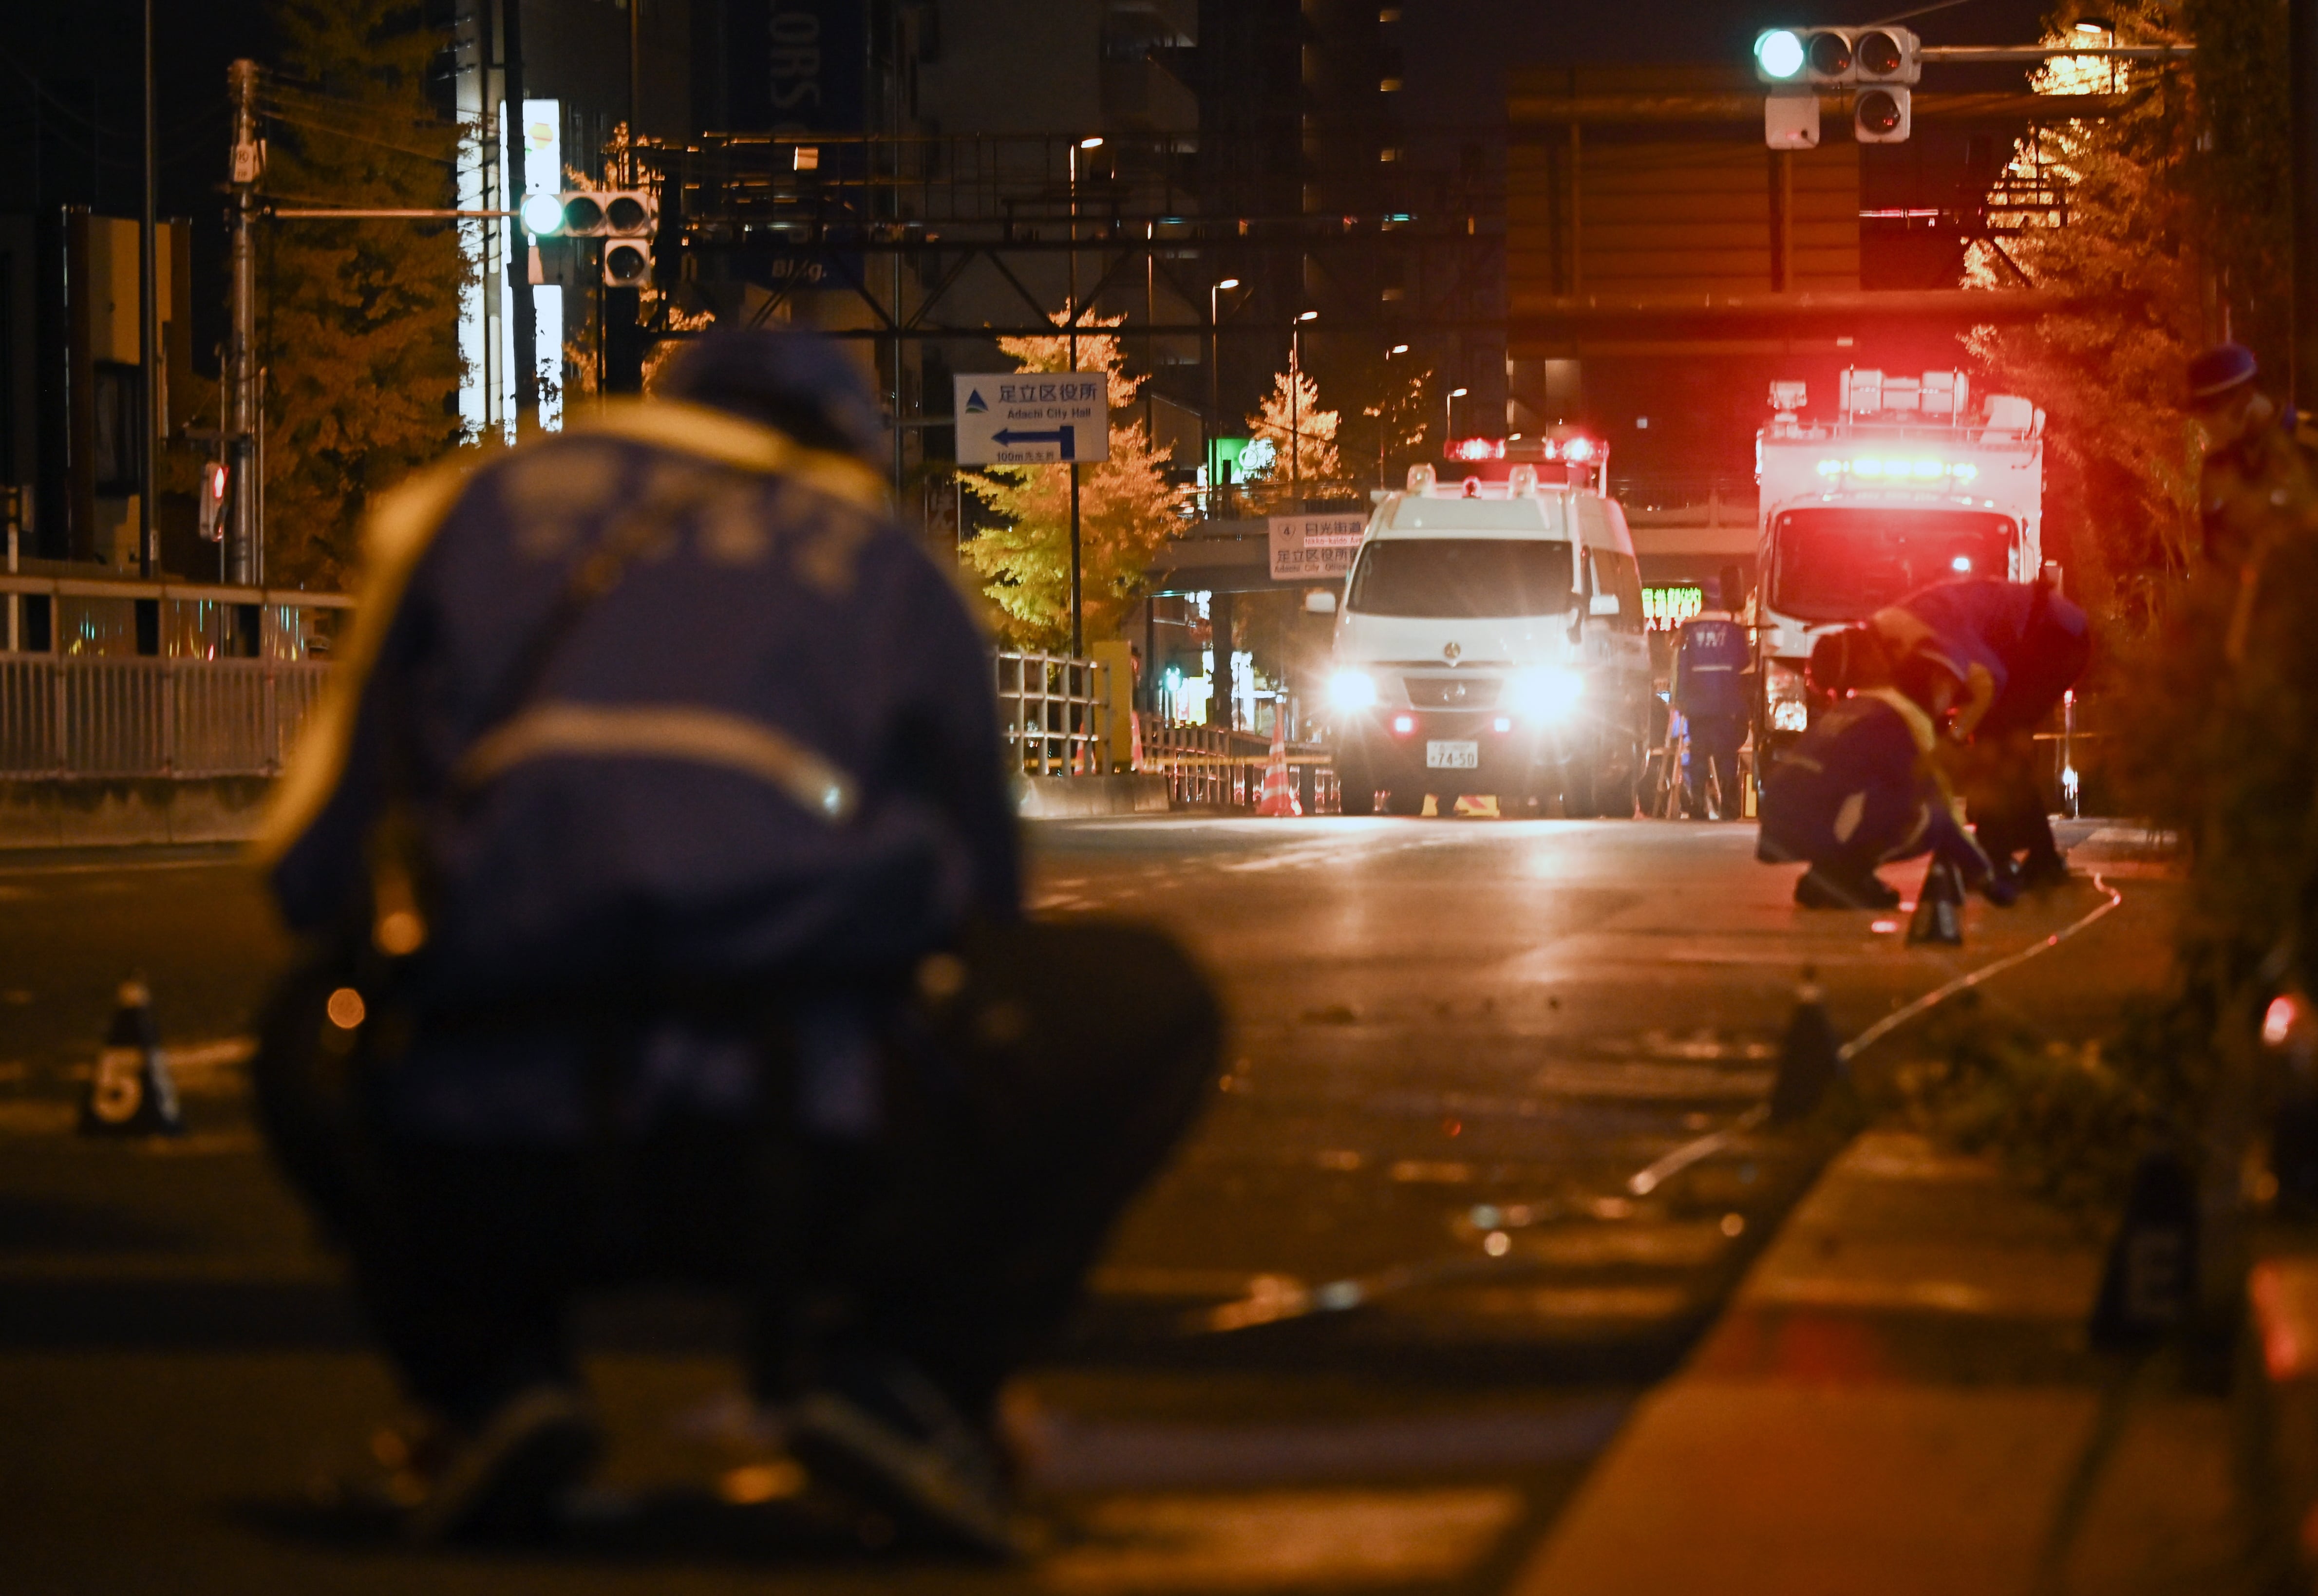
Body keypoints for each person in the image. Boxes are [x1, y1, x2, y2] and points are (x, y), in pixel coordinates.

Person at [249, 328, 1220, 1553]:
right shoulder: (884, 560)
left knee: (302, 1024)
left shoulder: (470, 509)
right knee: (1152, 999)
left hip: (501, 1150)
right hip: (799, 1149)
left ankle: (487, 1384)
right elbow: (986, 907)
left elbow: (305, 869)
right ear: (848, 452)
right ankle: (907, 1384)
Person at [1866, 573, 2092, 890]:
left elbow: (1989, 679)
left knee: (1997, 739)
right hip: (2034, 636)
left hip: (2057, 636)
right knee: (1995, 740)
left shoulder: (1925, 631)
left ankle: (2003, 856)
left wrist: (1956, 736)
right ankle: (2024, 856)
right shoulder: (1897, 631)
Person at [1759, 634, 2010, 909]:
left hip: (1779, 820)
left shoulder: (1862, 704)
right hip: (1812, 821)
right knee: (1928, 816)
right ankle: (1842, 874)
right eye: (1952, 693)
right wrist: (1988, 878)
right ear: (1936, 681)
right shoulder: (1907, 718)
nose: (1951, 705)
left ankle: (1828, 873)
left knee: (1890, 791)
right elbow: (1943, 807)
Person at [1670, 565, 1751, 819]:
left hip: (1698, 705)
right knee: (1727, 756)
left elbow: (1682, 666)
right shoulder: (1735, 629)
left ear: (1702, 598)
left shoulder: (1690, 629)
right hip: (1727, 704)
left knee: (1699, 755)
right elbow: (1745, 662)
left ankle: (1697, 803)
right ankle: (1729, 805)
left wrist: (1681, 698)